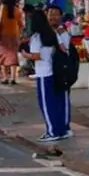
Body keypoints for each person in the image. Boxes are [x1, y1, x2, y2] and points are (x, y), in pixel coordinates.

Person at [22, 8, 70, 142]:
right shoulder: (53, 33)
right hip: (55, 71)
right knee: (55, 103)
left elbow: (36, 56)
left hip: (43, 74)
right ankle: (61, 130)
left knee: (46, 105)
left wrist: (26, 55)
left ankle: (52, 131)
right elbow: (63, 48)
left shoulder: (36, 37)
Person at [47, 3, 73, 136]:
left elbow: (65, 50)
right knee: (53, 99)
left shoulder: (63, 33)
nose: (52, 17)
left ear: (60, 17)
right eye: (50, 14)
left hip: (62, 71)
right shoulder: (47, 32)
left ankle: (66, 126)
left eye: (55, 14)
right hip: (49, 71)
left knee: (63, 98)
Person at [0, 0, 25, 85]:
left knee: (3, 56)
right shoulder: (17, 10)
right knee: (13, 57)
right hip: (14, 36)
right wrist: (19, 35)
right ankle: (13, 78)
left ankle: (4, 78)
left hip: (2, 36)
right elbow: (21, 25)